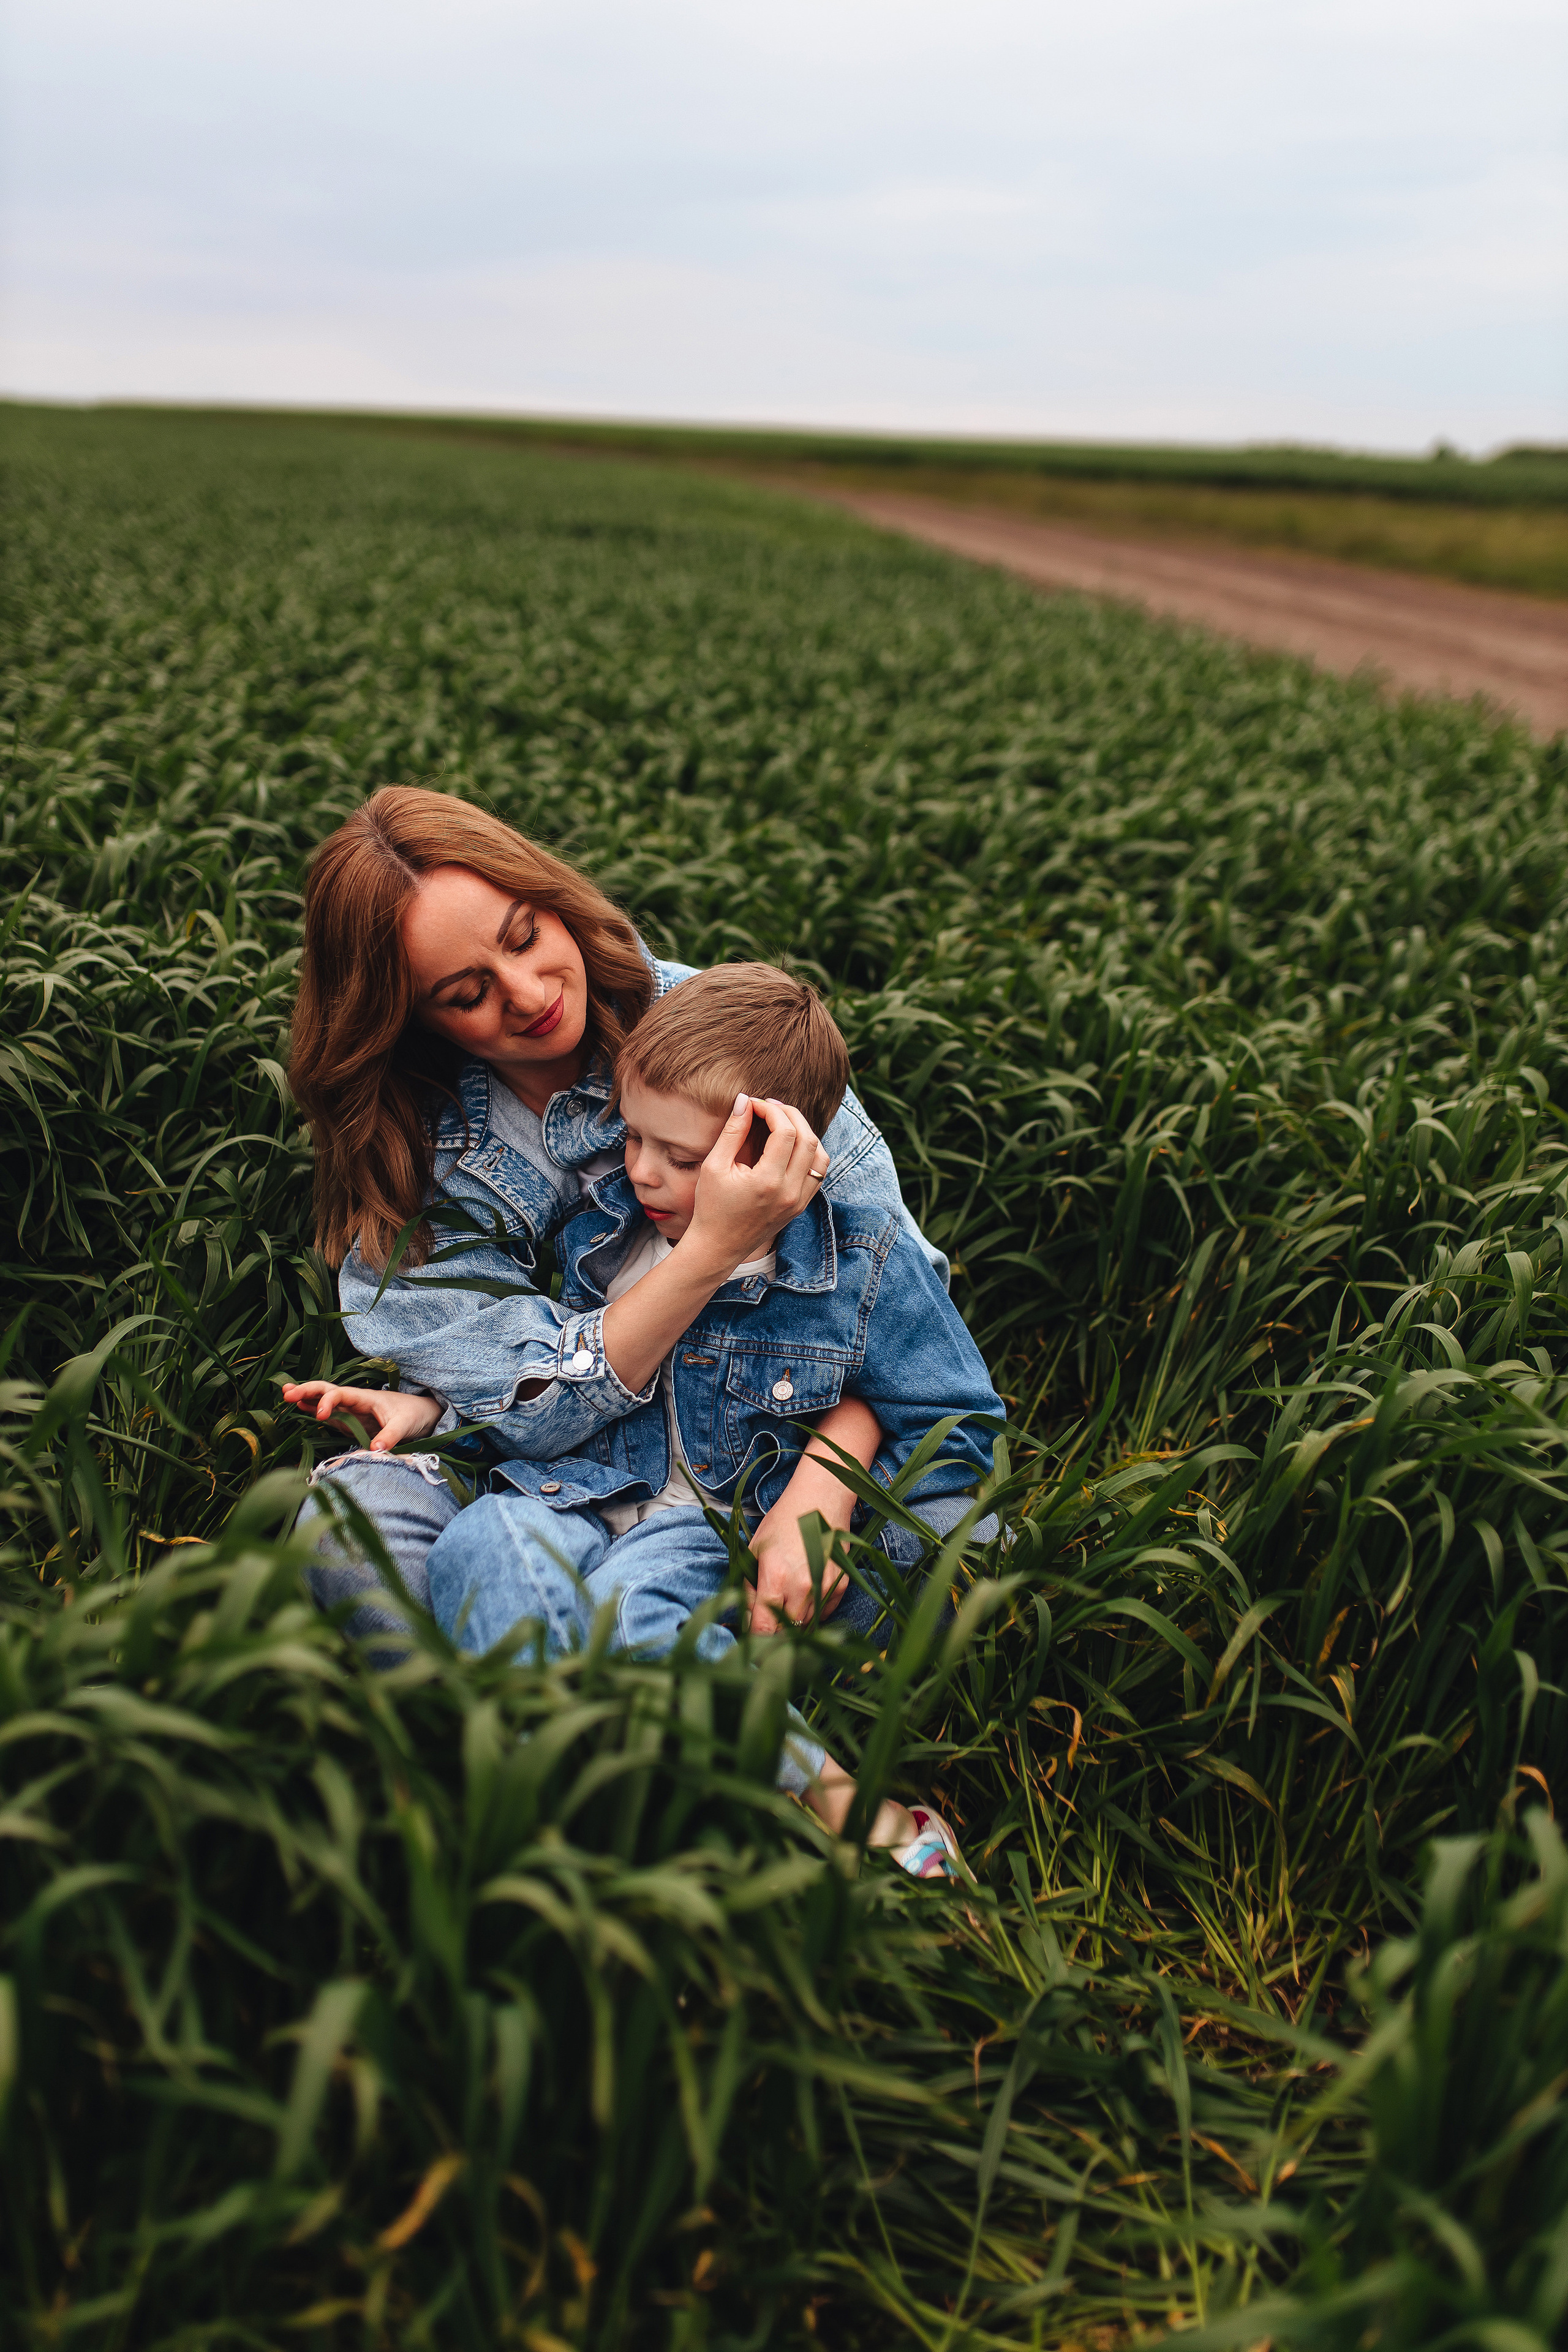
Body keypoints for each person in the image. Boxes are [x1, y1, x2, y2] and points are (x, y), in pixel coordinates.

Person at [293, 965, 1005, 1879]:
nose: (642, 1171)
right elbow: (553, 1361)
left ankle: (853, 1814)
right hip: (576, 1489)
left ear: (780, 1149)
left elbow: (957, 1418)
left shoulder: (857, 1266)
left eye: (682, 1156)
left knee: (635, 1614)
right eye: (632, 1137)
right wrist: (432, 1404)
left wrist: (827, 1482)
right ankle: (573, 1798)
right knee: (478, 1543)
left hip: (699, 1522)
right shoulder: (606, 1225)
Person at [284, 785, 973, 1651]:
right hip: (550, 1491)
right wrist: (708, 1253)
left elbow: (900, 1310)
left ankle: (547, 1707)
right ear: (408, 1023)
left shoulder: (723, 1039)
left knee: (951, 1540)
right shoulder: (419, 1149)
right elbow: (517, 1403)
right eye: (467, 993)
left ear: (550, 896)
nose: (530, 991)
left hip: (767, 1464)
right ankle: (669, 1705)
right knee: (350, 1524)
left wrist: (825, 1486)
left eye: (526, 935)